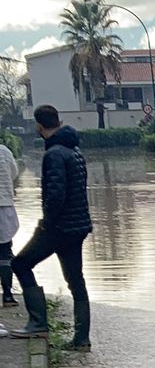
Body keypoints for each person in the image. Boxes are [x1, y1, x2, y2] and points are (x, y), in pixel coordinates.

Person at [13, 106, 93, 350]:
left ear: (39, 126)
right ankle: (81, 339)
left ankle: (38, 323)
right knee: (76, 280)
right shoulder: (74, 150)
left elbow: (56, 195)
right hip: (78, 226)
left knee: (20, 264)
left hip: (58, 228)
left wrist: (46, 224)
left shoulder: (54, 154)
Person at [0, 138, 21, 307]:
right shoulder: (4, 151)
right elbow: (14, 172)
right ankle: (7, 295)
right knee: (5, 250)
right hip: (4, 205)